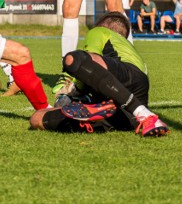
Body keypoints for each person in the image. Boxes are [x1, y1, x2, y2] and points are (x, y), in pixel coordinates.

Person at [29, 12, 169, 137]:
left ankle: (145, 114)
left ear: (103, 25)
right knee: (37, 118)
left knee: (73, 60)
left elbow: (91, 61)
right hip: (127, 111)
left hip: (127, 77)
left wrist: (76, 89)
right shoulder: (131, 49)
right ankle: (125, 111)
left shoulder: (100, 31)